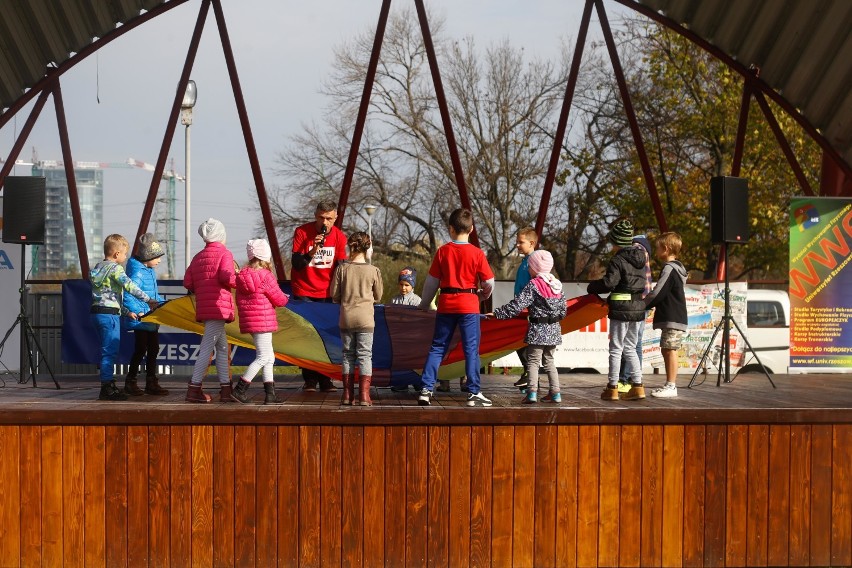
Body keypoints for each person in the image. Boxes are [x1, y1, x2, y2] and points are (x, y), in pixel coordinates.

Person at [417, 208, 495, 407]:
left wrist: (424, 304)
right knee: (471, 350)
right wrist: (482, 295)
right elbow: (489, 282)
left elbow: (431, 282)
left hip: (446, 304)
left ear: (451, 229)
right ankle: (473, 392)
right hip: (469, 305)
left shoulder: (443, 251)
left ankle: (426, 389)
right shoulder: (477, 253)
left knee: (437, 347)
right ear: (471, 229)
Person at [490, 250, 567, 403]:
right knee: (549, 362)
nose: (528, 269)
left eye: (530, 266)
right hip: (554, 331)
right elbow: (563, 311)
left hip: (538, 330)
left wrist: (498, 313)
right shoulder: (557, 285)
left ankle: (532, 393)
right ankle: (556, 393)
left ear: (535, 268)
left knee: (533, 362)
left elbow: (517, 305)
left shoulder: (534, 285)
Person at [89, 234, 156, 401]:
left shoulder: (99, 267)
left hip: (97, 313)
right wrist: (148, 299)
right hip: (109, 316)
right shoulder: (116, 269)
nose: (126, 257)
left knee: (106, 350)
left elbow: (110, 295)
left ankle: (108, 384)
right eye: (125, 253)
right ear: (117, 254)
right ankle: (107, 387)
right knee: (109, 351)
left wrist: (126, 311)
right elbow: (129, 286)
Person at [587, 219, 648, 401]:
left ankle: (612, 387)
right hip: (637, 308)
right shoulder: (641, 259)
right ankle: (638, 386)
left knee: (616, 348)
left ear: (616, 242)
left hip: (621, 310)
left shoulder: (618, 259)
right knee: (630, 347)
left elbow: (609, 283)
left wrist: (592, 287)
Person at [290, 200, 347, 392]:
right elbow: (297, 263)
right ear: (315, 215)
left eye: (329, 219)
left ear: (335, 218)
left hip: (326, 293)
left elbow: (341, 266)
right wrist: (312, 250)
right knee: (307, 336)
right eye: (321, 218)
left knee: (327, 336)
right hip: (304, 290)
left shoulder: (339, 237)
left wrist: (340, 293)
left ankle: (326, 379)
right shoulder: (302, 232)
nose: (325, 222)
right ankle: (310, 380)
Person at [183, 218, 237, 403]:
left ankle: (226, 389)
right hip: (218, 306)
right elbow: (227, 277)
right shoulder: (225, 254)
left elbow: (188, 282)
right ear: (221, 235)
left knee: (222, 348)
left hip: (205, 307)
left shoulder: (197, 257)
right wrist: (240, 278)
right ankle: (193, 388)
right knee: (208, 347)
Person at [231, 239, 290, 404]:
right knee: (263, 357)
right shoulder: (266, 276)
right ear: (265, 257)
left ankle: (270, 394)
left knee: (269, 357)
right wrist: (286, 298)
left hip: (251, 321)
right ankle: (240, 389)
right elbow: (279, 300)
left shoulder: (242, 276)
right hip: (263, 321)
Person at [331, 231, 383, 405]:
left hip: (346, 317)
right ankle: (364, 396)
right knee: (365, 356)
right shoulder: (374, 270)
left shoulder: (342, 269)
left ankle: (347, 395)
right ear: (369, 249)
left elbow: (334, 295)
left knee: (347, 355)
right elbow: (379, 295)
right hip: (366, 319)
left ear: (350, 247)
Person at [122, 233, 168, 396]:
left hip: (151, 317)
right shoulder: (138, 273)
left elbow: (151, 295)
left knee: (153, 349)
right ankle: (131, 380)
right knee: (141, 349)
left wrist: (163, 303)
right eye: (157, 257)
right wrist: (137, 310)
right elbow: (128, 294)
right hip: (142, 318)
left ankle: (151, 381)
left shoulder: (148, 271)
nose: (159, 261)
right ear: (147, 257)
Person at [643, 231, 688, 398]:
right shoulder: (678, 268)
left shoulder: (670, 269)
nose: (656, 252)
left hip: (673, 317)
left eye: (658, 248)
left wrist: (643, 304)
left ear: (667, 249)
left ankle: (671, 385)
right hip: (673, 316)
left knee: (670, 349)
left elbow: (658, 292)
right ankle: (669, 384)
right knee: (667, 349)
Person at [618, 232, 653, 393]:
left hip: (634, 300)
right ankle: (635, 378)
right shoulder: (645, 252)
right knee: (636, 342)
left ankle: (626, 379)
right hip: (644, 301)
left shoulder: (635, 250)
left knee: (629, 342)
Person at [512, 226, 538, 390]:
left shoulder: (534, 262)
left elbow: (537, 285)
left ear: (532, 243)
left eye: (520, 242)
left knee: (524, 341)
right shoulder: (525, 261)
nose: (517, 245)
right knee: (519, 341)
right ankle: (529, 373)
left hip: (529, 309)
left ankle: (530, 374)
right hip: (522, 307)